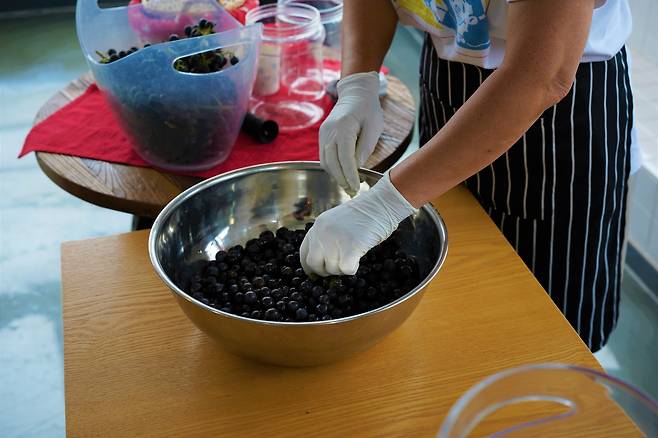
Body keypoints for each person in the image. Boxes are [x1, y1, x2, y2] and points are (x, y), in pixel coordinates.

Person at [300, 0, 636, 352]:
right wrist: (358, 81)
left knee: (546, 337)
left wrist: (384, 203)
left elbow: (541, 76)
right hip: (448, 78)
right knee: (451, 314)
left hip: (553, 115)